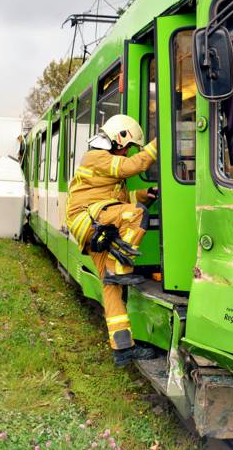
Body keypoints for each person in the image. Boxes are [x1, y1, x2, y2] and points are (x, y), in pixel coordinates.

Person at [66, 114, 159, 367]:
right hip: (90, 220)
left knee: (111, 288)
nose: (128, 151)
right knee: (138, 214)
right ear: (121, 137)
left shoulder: (104, 164)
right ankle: (119, 268)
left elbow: (120, 197)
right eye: (128, 146)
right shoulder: (97, 157)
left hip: (94, 225)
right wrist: (159, 142)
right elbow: (132, 167)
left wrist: (144, 194)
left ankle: (123, 349)